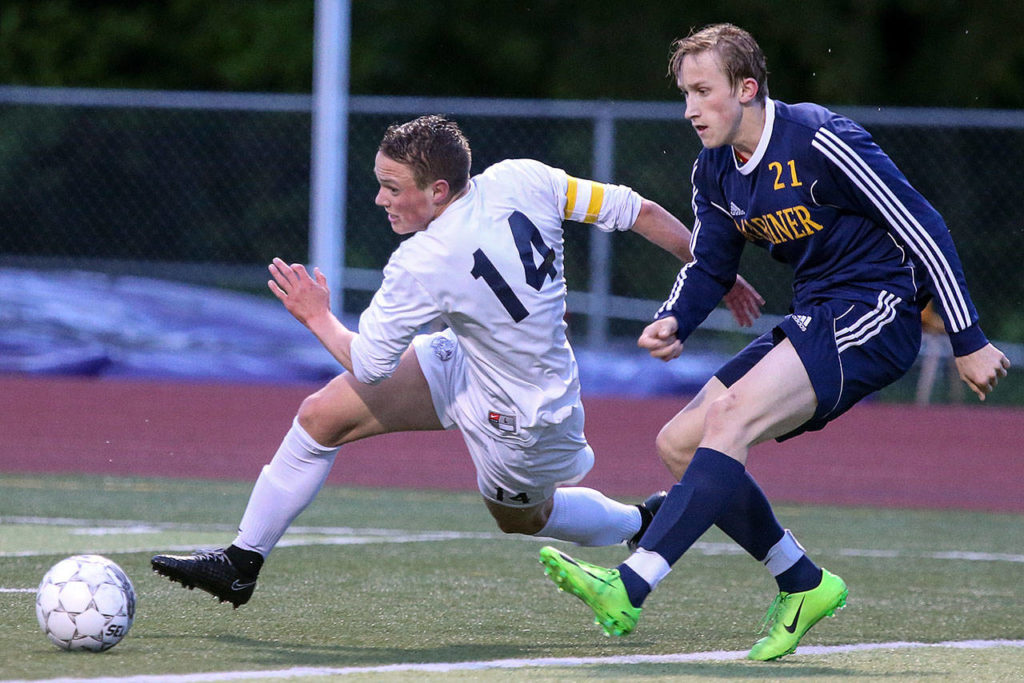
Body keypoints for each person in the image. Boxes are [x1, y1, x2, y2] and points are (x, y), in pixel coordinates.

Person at [150, 115, 765, 609]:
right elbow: (642, 214)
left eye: (393, 188)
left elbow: (366, 361)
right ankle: (240, 562)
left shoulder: (422, 260)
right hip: (469, 357)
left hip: (525, 415)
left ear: (437, 190)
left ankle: (639, 519)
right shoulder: (522, 176)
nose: (380, 198)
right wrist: (712, 269)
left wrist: (314, 314)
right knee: (320, 416)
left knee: (524, 520)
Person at [539, 23, 1011, 661]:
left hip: (876, 309)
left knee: (728, 418)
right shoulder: (714, 171)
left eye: (703, 92)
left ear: (748, 87)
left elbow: (922, 225)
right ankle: (803, 582)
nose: (689, 109)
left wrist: (968, 337)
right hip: (817, 312)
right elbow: (709, 263)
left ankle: (633, 581)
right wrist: (675, 318)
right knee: (679, 444)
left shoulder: (820, 139)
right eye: (685, 94)